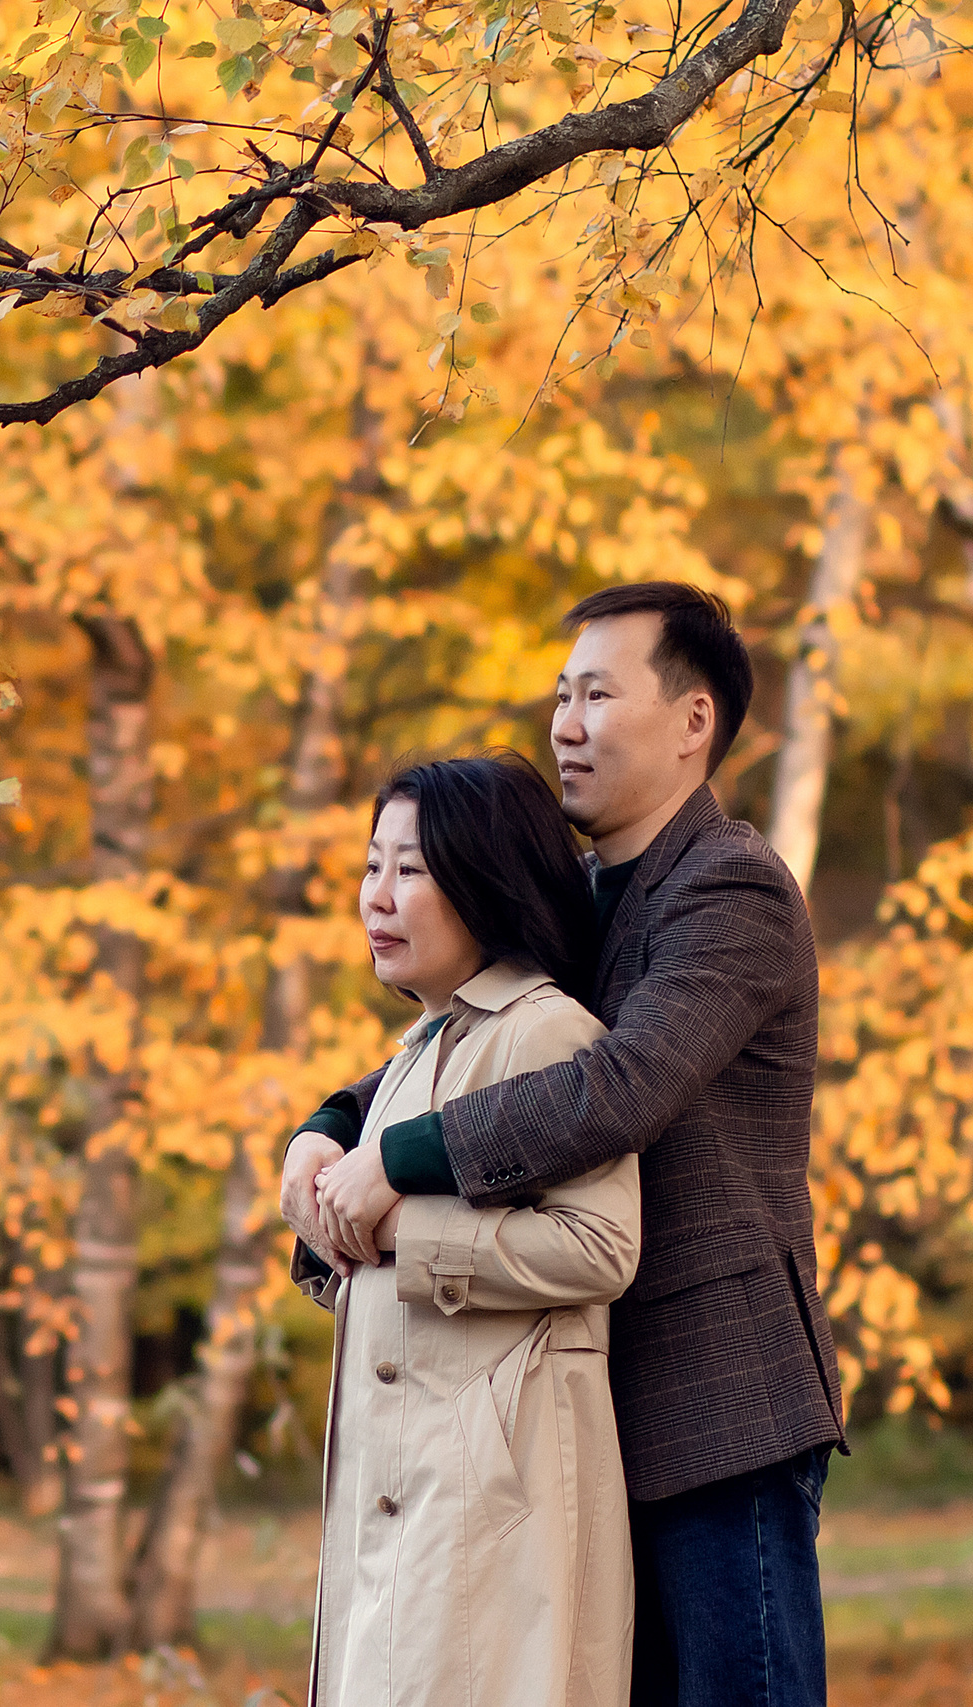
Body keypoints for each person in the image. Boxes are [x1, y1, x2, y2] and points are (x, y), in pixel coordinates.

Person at [280, 583, 843, 1707]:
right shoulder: (586, 897)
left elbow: (620, 1086)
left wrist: (398, 1163)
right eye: (559, 696)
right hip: (574, 1408)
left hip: (715, 1401)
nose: (566, 724)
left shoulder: (728, 887)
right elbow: (465, 1026)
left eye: (597, 693)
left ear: (692, 721)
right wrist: (330, 1127)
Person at [289, 751, 638, 1707]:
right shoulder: (417, 1050)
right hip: (395, 1508)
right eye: (372, 866)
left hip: (495, 1515)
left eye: (412, 869)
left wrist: (406, 1230)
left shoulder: (547, 1032)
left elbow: (603, 1247)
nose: (378, 896)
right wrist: (322, 1199)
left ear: (484, 881)